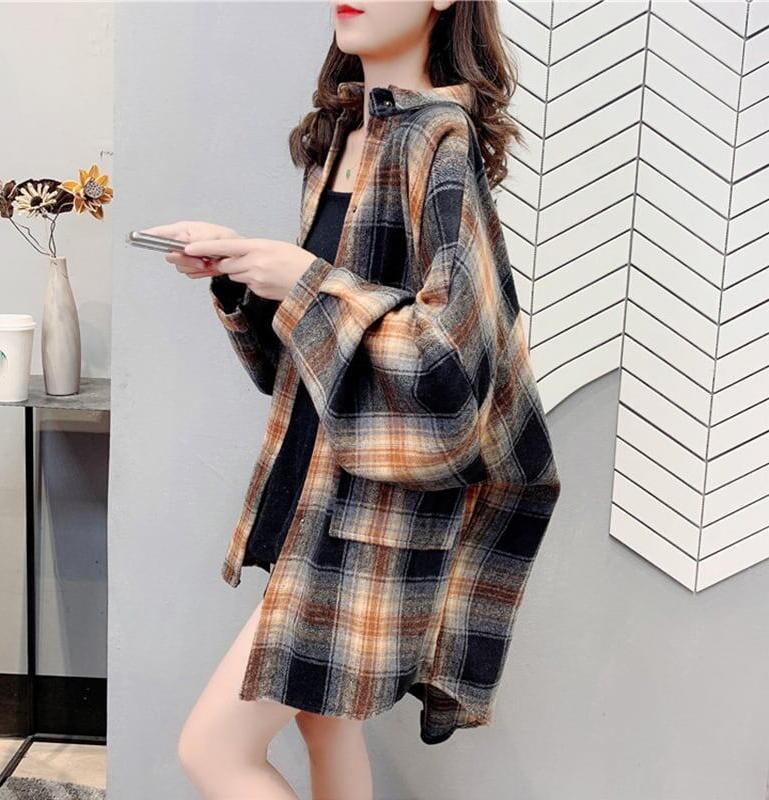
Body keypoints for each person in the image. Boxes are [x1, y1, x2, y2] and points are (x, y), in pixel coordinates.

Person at [144, 1, 562, 798]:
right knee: (321, 722)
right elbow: (306, 366)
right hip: (311, 492)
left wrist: (303, 280)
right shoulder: (341, 139)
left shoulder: (435, 138)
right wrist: (242, 276)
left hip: (370, 515)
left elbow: (452, 367)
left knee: (213, 751)